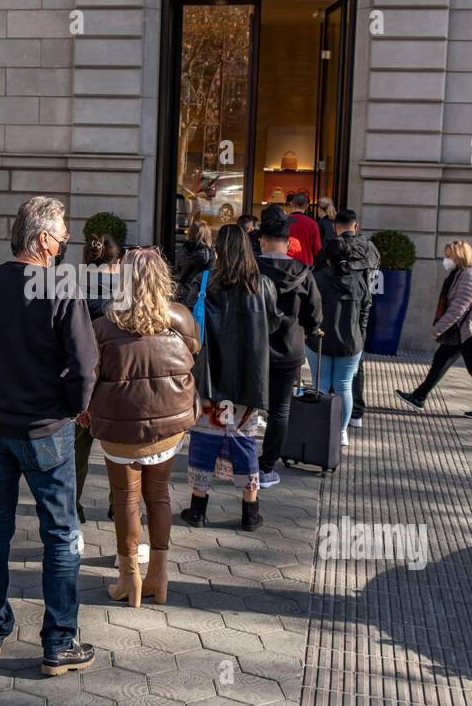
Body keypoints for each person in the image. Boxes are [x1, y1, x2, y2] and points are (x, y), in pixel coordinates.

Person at [0, 196, 99, 676]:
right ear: (42, 240)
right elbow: (85, 365)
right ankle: (59, 641)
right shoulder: (60, 287)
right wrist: (72, 408)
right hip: (45, 429)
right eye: (63, 238)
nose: (65, 246)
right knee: (60, 535)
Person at [83, 248, 199, 606]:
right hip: (169, 427)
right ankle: (159, 578)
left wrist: (82, 410)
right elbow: (194, 354)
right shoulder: (180, 318)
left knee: (126, 501)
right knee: (159, 496)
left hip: (119, 431)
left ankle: (128, 580)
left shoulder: (103, 326)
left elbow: (87, 375)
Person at [181, 224, 279, 531]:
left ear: (220, 250)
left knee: (204, 440)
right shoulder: (262, 285)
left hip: (210, 377)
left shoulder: (204, 281)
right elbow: (274, 322)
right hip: (248, 380)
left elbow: (185, 316)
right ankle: (251, 512)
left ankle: (198, 508)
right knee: (244, 442)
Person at [254, 207, 323, 487]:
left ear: (262, 239)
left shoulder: (250, 269)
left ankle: (239, 462)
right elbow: (315, 315)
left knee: (245, 407)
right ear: (288, 239)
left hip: (253, 349)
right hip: (288, 348)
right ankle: (266, 467)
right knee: (280, 410)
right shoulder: (302, 273)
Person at [396, 239, 472, 419]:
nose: (446, 259)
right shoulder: (459, 273)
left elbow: (459, 308)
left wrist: (438, 328)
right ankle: (419, 397)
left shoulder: (468, 276)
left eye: (448, 255)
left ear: (459, 256)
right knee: (440, 360)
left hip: (470, 330)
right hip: (461, 329)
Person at [75, 234, 123, 523]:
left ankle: (73, 507)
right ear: (117, 263)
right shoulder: (126, 296)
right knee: (118, 452)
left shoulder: (72, 289)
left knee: (77, 450)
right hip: (115, 380)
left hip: (82, 379)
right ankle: (118, 507)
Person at [311, 234, 373, 448]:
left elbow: (308, 308)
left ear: (327, 257)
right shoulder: (359, 281)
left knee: (320, 384)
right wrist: (361, 334)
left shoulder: (317, 278)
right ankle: (342, 431)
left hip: (320, 340)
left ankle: (317, 427)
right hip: (351, 341)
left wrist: (309, 330)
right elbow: (366, 310)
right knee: (344, 386)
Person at [173, 219, 214, 295]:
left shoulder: (183, 249)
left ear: (190, 233)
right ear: (208, 234)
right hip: (199, 294)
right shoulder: (209, 254)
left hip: (181, 291)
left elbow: (177, 269)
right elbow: (210, 278)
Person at [284, 191, 322, 267]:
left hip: (286, 263)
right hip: (305, 264)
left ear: (292, 203)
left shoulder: (284, 221)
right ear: (307, 206)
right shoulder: (312, 224)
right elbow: (317, 248)